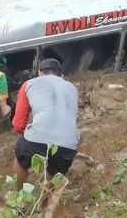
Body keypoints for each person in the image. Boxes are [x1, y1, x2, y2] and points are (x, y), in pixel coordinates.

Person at [11, 59, 79, 191]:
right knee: (55, 171)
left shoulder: (29, 84)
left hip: (36, 141)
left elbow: (18, 125)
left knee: (20, 156)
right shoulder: (72, 88)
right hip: (68, 146)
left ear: (39, 73)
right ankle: (44, 201)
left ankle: (19, 196)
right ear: (62, 76)